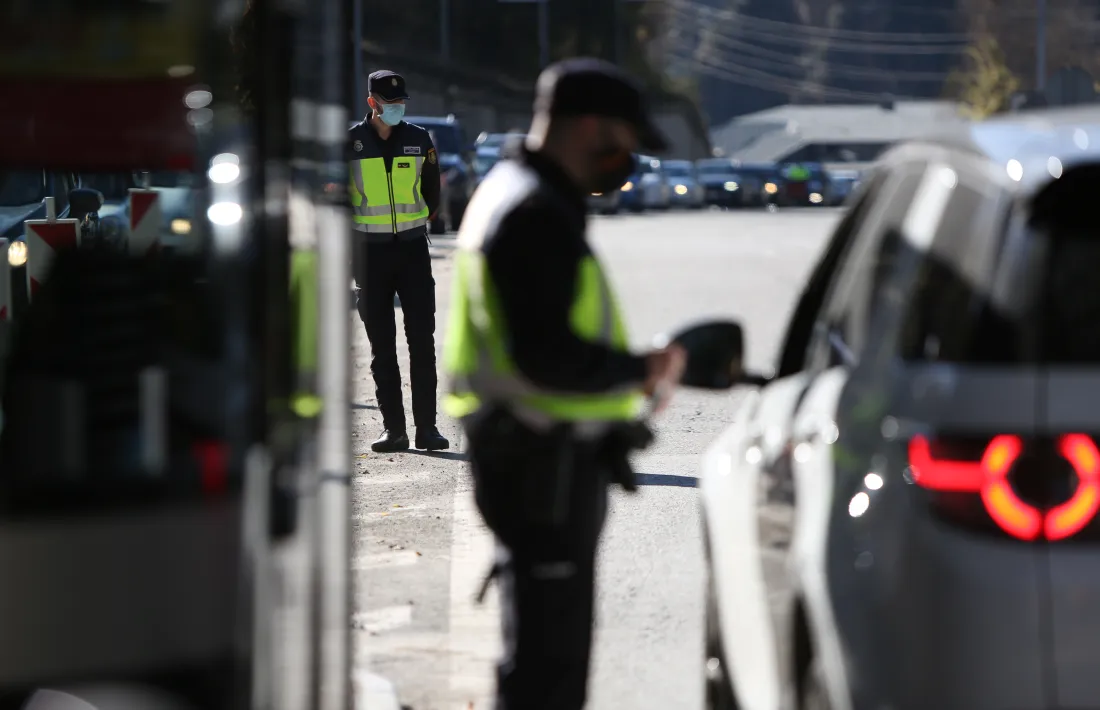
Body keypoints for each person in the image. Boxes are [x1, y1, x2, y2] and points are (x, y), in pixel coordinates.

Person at [440, 58, 687, 709]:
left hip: (527, 454)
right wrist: (642, 368)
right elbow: (545, 353)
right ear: (588, 128)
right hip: (540, 461)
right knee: (548, 669)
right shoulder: (535, 214)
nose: (628, 157)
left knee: (541, 654)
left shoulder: (512, 189)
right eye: (625, 139)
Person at [349, 69, 449, 453]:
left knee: (422, 342)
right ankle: (395, 430)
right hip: (370, 255)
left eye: (401, 103)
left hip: (412, 252)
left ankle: (428, 429)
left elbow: (432, 189)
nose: (396, 109)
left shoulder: (419, 139)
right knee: (382, 347)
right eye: (389, 104)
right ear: (372, 103)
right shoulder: (351, 143)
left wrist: (420, 223)